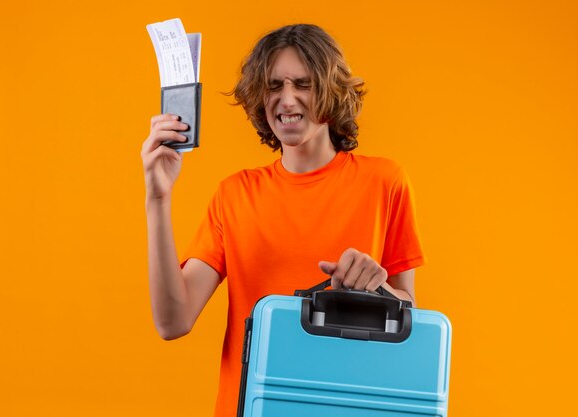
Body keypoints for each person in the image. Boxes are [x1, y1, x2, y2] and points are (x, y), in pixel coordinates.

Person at [141, 24, 424, 417]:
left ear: (330, 91)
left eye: (303, 84)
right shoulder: (234, 195)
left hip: (347, 405)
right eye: (274, 86)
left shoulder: (385, 182)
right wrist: (158, 198)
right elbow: (173, 321)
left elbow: (409, 312)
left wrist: (375, 291)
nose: (286, 100)